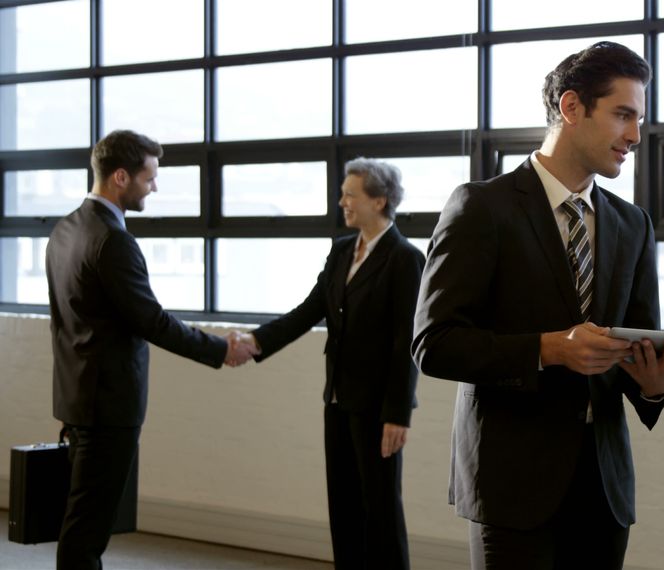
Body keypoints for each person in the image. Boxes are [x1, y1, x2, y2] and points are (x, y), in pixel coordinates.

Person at [412, 41, 664, 570]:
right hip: (512, 488)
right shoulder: (482, 207)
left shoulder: (631, 223)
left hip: (604, 489)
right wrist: (551, 350)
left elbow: (634, 342)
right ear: (571, 108)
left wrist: (655, 386)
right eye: (623, 115)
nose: (635, 136)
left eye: (639, 119)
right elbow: (434, 344)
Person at [46, 129, 255, 570]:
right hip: (108, 405)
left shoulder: (64, 230)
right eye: (149, 178)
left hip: (76, 396)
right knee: (87, 529)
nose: (154, 187)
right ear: (120, 177)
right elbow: (151, 321)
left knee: (82, 520)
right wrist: (220, 349)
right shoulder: (113, 240)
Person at [231, 157, 423, 569]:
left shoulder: (405, 258)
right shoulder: (340, 251)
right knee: (344, 506)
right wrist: (256, 340)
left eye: (351, 195)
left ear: (380, 201)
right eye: (343, 195)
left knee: (381, 509)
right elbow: (310, 309)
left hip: (377, 408)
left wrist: (398, 413)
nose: (342, 203)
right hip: (337, 398)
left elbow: (404, 342)